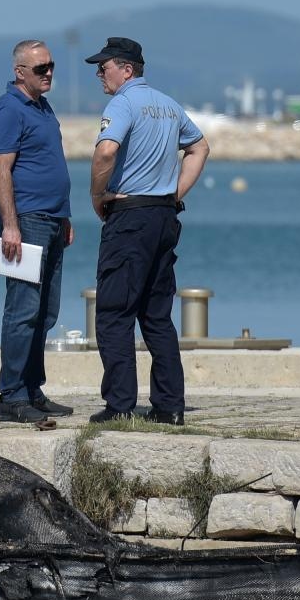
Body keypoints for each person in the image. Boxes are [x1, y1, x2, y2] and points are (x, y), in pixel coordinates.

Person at [85, 37, 208, 425]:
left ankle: (120, 404)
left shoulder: (122, 102)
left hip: (130, 216)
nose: (99, 74)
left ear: (126, 68)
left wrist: (97, 194)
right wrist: (175, 193)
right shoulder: (168, 105)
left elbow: (106, 151)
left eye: (103, 67)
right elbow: (200, 147)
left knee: (113, 312)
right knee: (157, 315)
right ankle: (170, 405)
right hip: (163, 216)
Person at [0, 39, 74, 423]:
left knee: (46, 311)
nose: (49, 72)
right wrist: (10, 225)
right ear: (20, 72)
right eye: (41, 68)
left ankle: (33, 388)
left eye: (51, 65)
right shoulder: (8, 109)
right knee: (22, 310)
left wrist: (65, 217)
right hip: (26, 222)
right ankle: (12, 395)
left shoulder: (42, 106)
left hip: (52, 220)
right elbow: (1, 171)